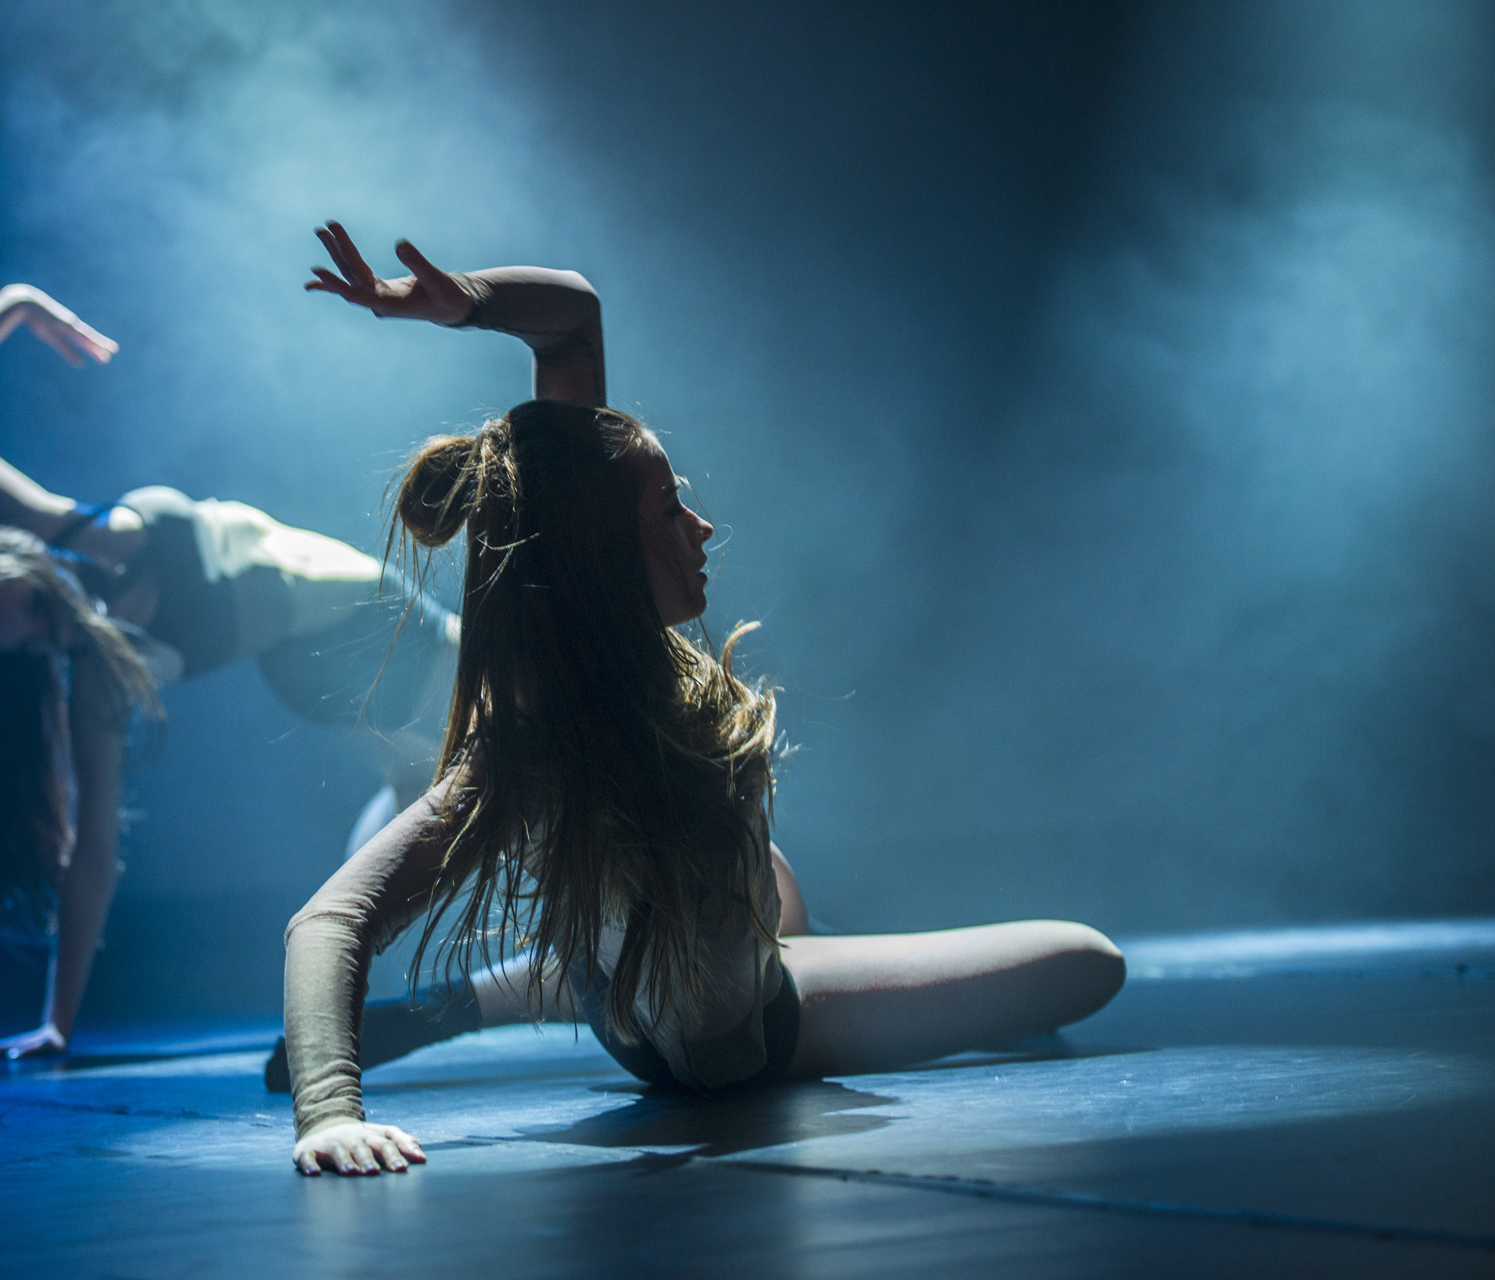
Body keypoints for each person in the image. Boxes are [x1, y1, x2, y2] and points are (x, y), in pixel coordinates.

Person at [278, 223, 1127, 1176]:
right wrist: (329, 1110)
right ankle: (506, 996)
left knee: (765, 878)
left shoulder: (596, 592)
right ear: (604, 556)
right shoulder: (532, 744)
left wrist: (456, 298)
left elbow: (572, 319)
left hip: (679, 949)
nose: (704, 525)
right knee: (1087, 961)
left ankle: (506, 994)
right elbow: (330, 922)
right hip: (739, 1039)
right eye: (670, 509)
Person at [0, 284, 459, 1064]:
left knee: (436, 819)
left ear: (21, 552)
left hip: (396, 643)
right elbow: (91, 853)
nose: (46, 633)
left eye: (31, 606)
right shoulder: (96, 682)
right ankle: (347, 1021)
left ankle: (349, 1012)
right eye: (26, 646)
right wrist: (57, 1024)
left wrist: (19, 305)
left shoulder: (95, 534)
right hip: (351, 688)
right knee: (429, 838)